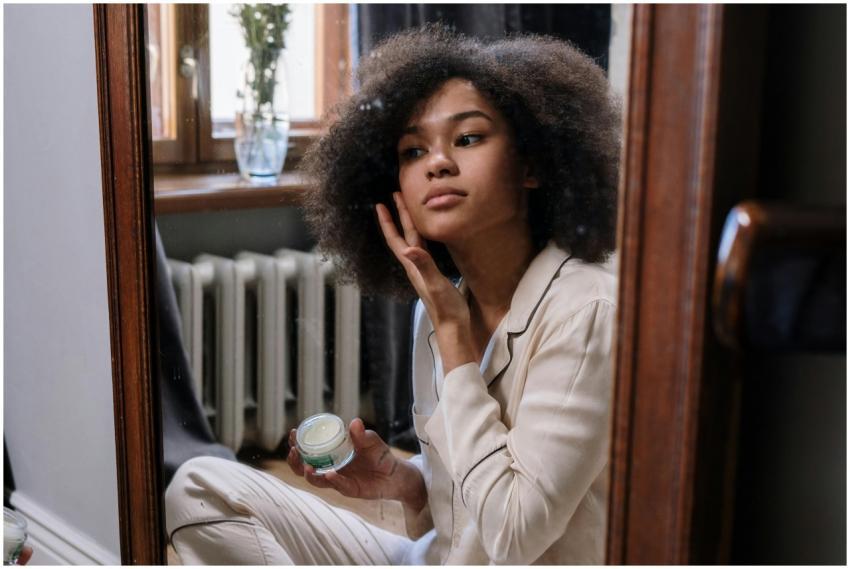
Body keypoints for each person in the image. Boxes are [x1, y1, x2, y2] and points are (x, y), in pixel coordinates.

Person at [165, 24, 620, 565]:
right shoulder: (440, 305)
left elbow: (513, 533)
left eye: (468, 138)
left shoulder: (586, 310)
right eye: (412, 150)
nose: (437, 163)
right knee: (198, 487)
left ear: (533, 165)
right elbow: (458, 519)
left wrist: (454, 341)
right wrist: (400, 482)